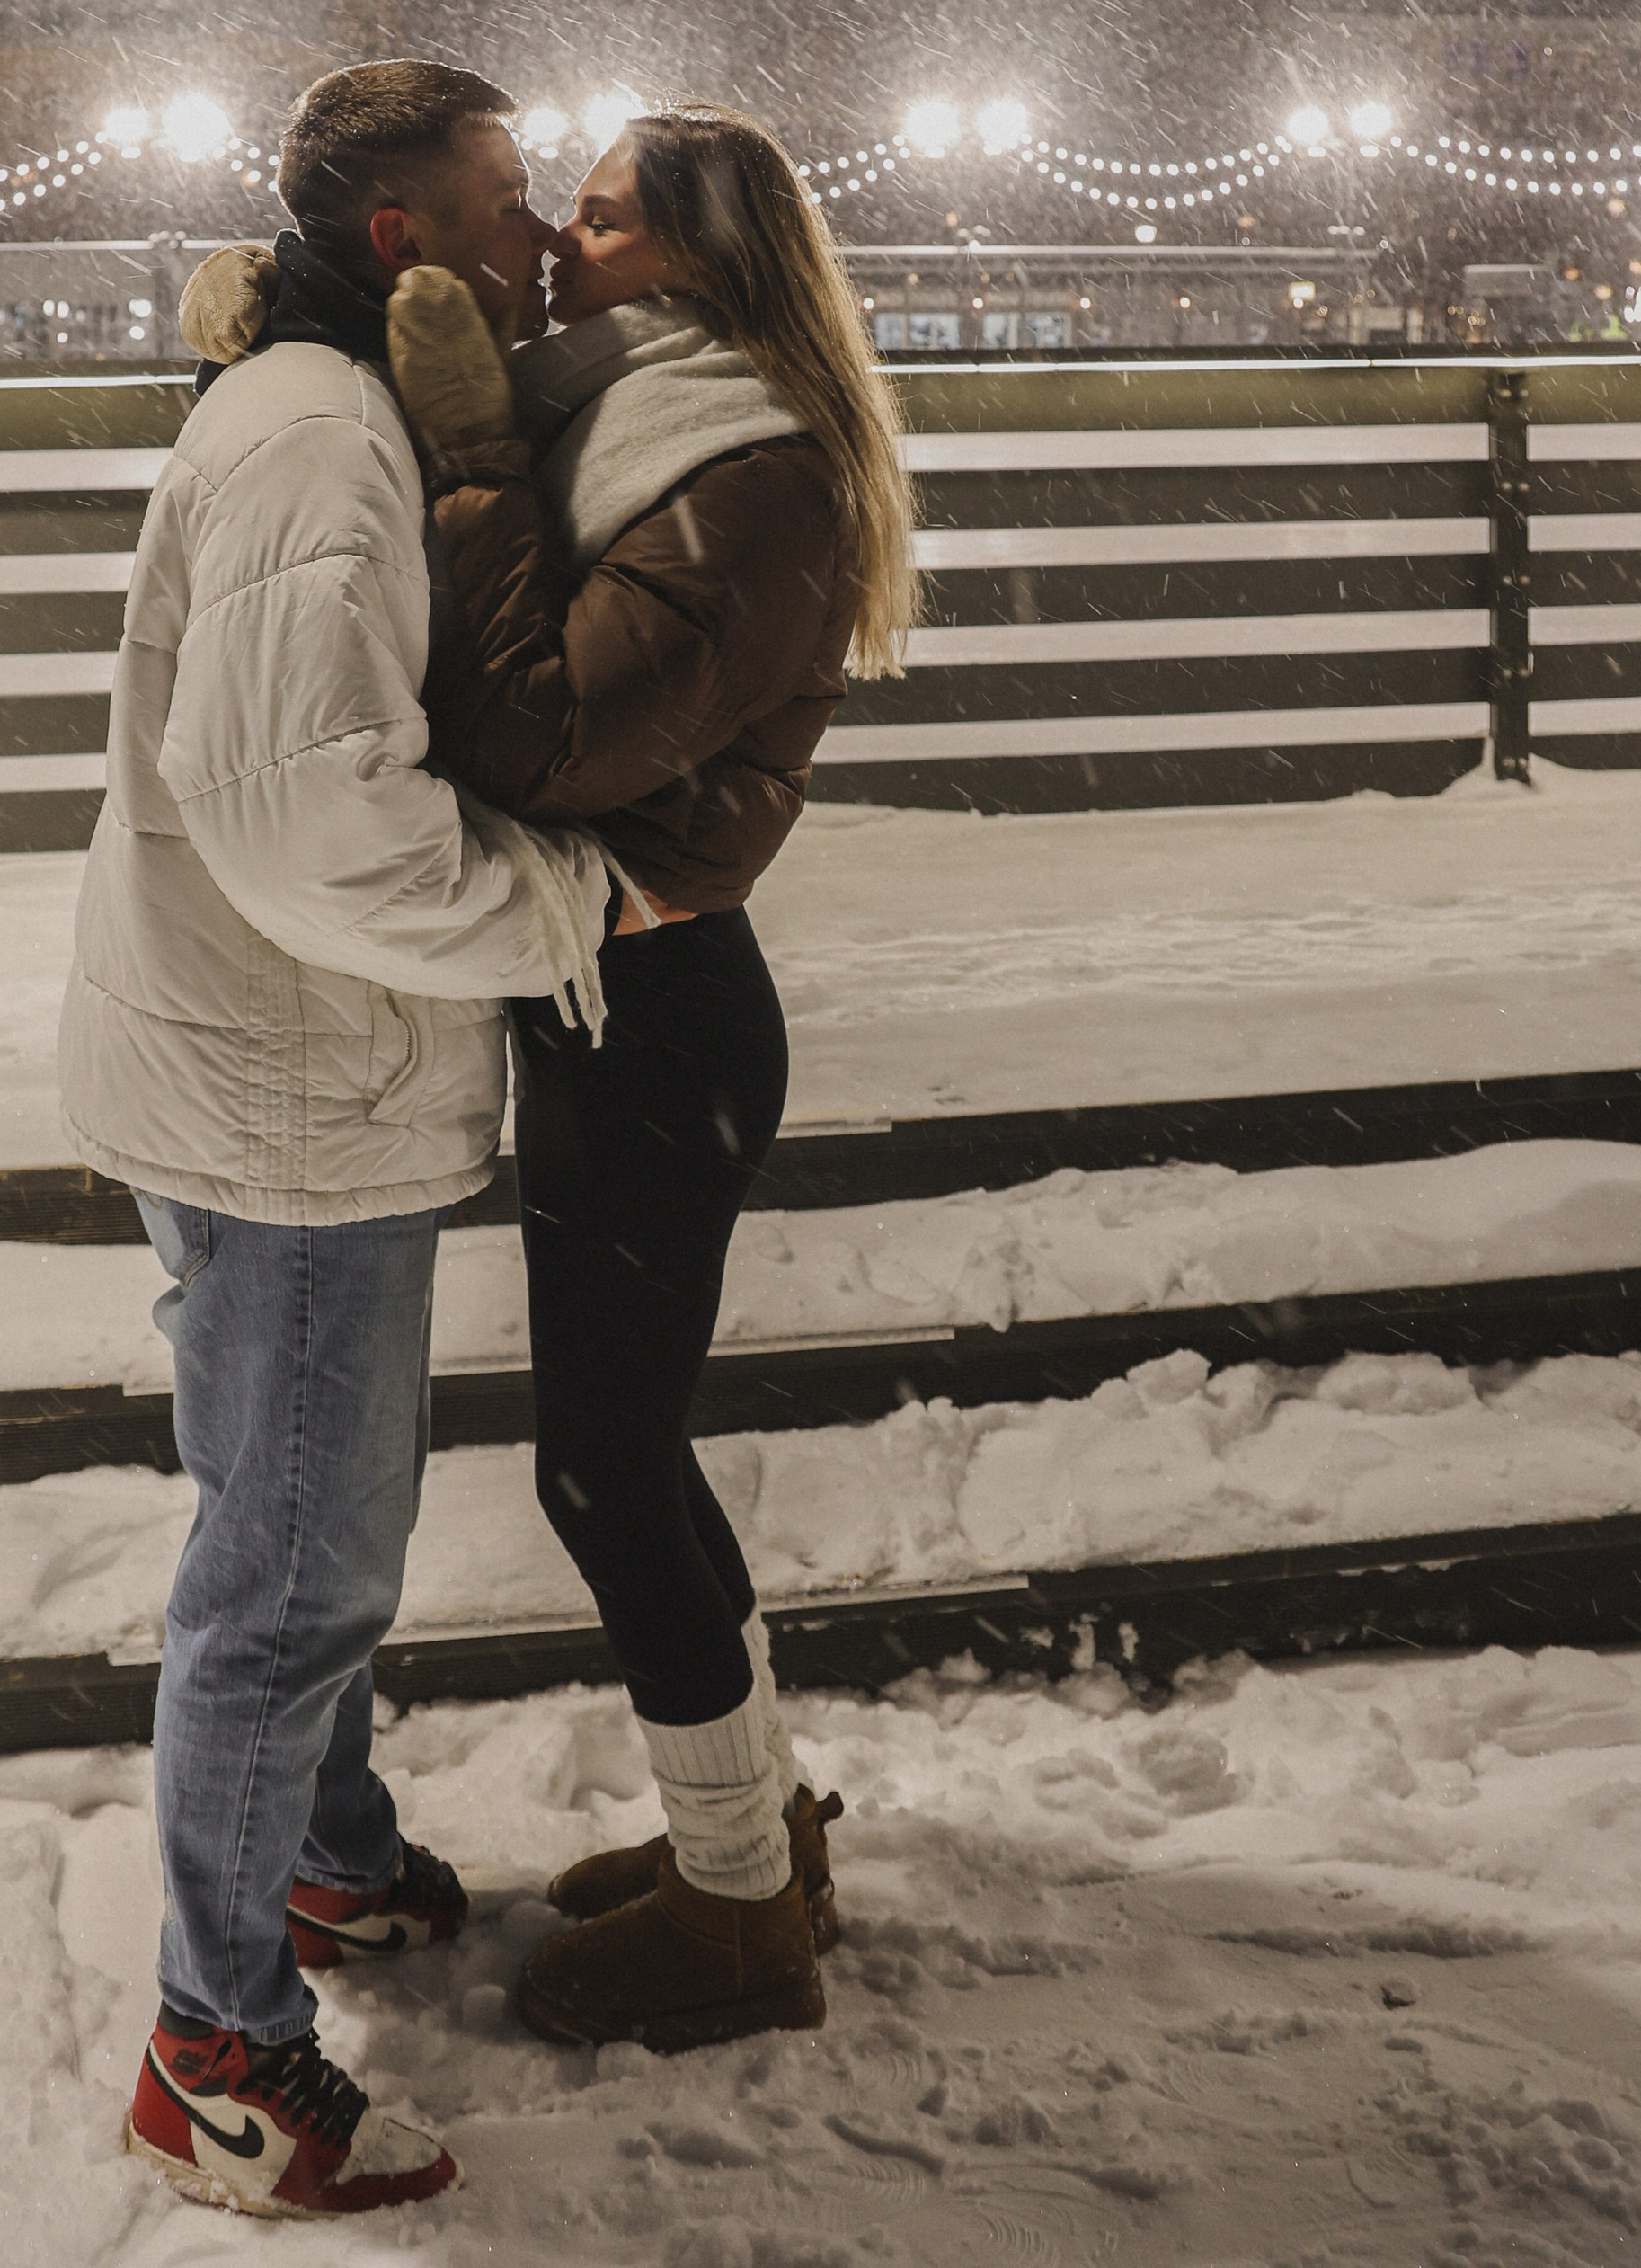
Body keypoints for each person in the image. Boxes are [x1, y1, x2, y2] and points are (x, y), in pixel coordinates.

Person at [58, 61, 615, 2219]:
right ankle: (219, 2062)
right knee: (288, 1576)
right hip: (290, 1089)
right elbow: (305, 821)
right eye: (500, 205)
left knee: (276, 1525)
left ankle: (325, 1861)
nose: (537, 241)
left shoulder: (316, 403)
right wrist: (564, 900)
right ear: (400, 245)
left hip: (246, 1061)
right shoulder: (318, 441)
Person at [382, 102, 918, 2056]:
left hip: (660, 1019)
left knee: (605, 1468)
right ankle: (749, 1829)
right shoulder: (627, 419)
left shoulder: (741, 472)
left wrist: (460, 464)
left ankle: (735, 1916)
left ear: (689, 263)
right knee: (626, 1453)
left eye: (594, 222)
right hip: (623, 1004)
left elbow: (536, 737)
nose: (553, 244)